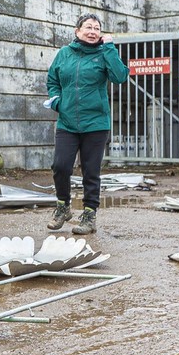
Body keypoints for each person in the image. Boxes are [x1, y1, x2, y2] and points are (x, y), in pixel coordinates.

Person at [44, 13, 129, 234]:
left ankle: (89, 215)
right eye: (88, 27)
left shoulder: (104, 53)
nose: (92, 31)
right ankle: (62, 207)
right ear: (77, 31)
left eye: (97, 28)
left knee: (90, 171)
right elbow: (52, 80)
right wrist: (57, 103)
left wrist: (110, 48)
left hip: (96, 123)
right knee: (60, 166)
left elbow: (120, 76)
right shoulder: (64, 54)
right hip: (67, 121)